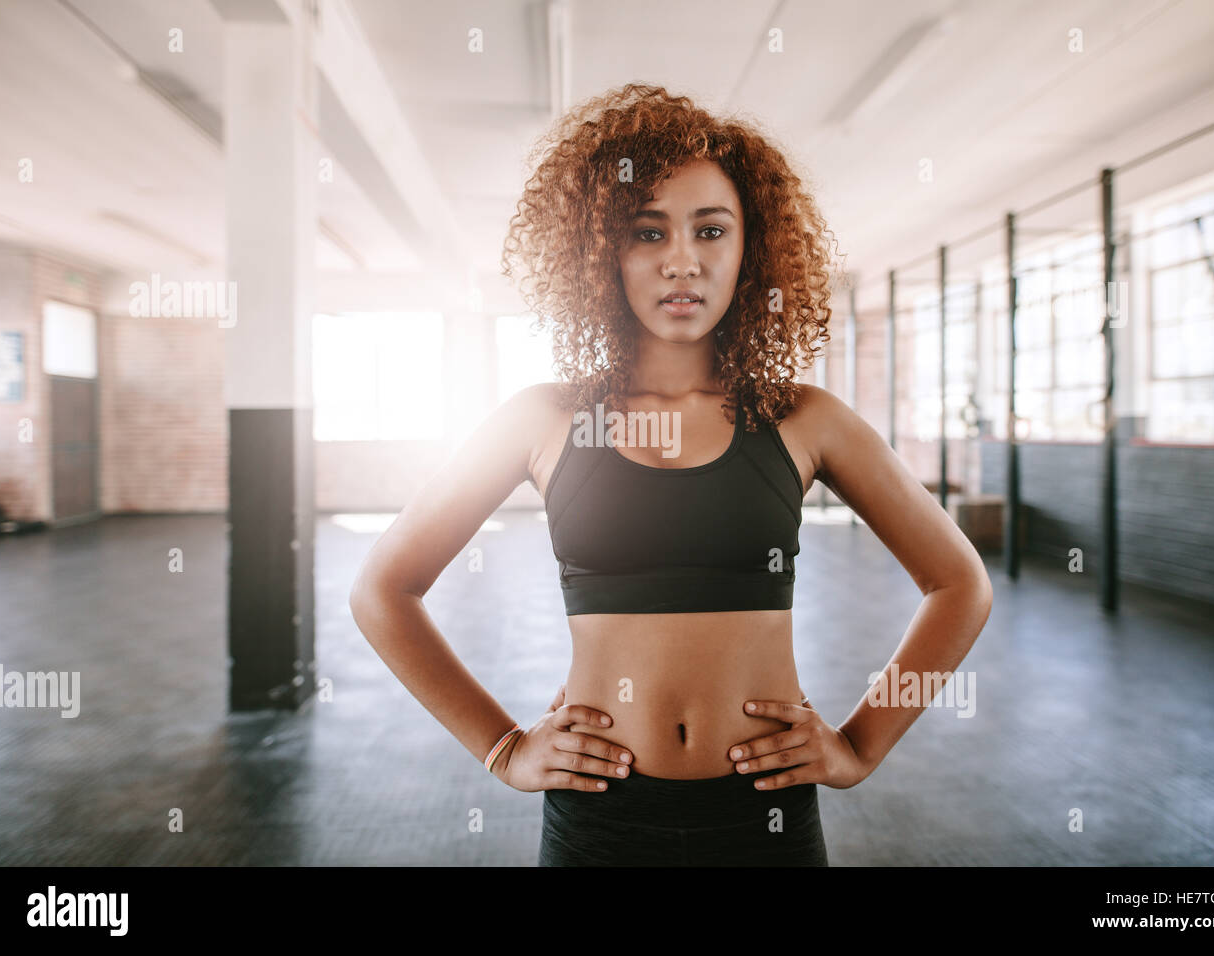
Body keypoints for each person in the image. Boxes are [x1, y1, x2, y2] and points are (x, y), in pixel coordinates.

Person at [348, 83, 993, 867]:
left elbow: (960, 584)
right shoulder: (543, 419)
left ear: (749, 248)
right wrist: (502, 749)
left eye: (710, 230)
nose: (682, 260)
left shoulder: (805, 419)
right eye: (648, 232)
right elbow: (383, 589)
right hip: (599, 820)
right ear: (602, 254)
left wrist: (860, 745)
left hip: (766, 818)